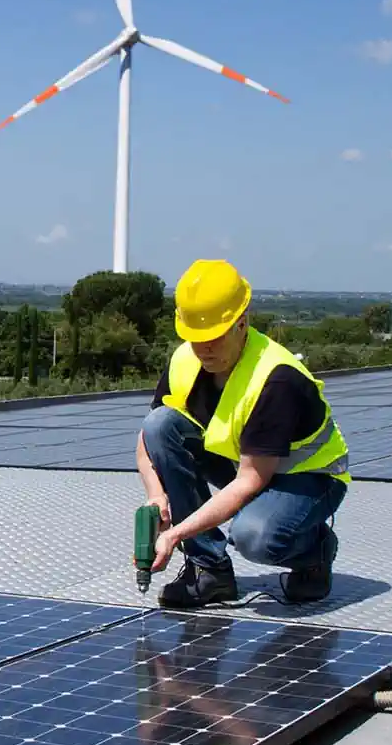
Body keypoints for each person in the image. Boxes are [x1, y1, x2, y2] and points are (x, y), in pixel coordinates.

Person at [136, 259, 350, 608]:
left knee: (254, 537)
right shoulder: (185, 360)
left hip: (308, 480)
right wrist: (156, 495)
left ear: (243, 322)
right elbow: (147, 440)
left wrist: (175, 533)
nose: (204, 348)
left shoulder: (276, 378)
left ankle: (315, 551)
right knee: (161, 425)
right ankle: (210, 571)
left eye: (215, 338)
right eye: (195, 338)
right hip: (247, 463)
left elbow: (250, 481)